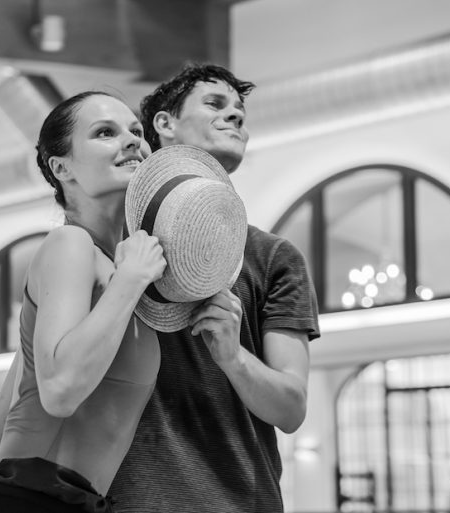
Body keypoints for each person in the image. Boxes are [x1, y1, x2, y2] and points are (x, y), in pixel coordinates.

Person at [108, 63, 321, 512]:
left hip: (243, 501)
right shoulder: (108, 246)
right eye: (215, 103)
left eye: (240, 109)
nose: (236, 115)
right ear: (164, 123)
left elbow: (291, 409)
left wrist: (234, 358)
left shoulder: (274, 257)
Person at [0, 90, 165, 512]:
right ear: (61, 168)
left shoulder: (120, 266)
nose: (132, 140)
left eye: (136, 131)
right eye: (105, 132)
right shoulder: (70, 244)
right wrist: (130, 280)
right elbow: (60, 391)